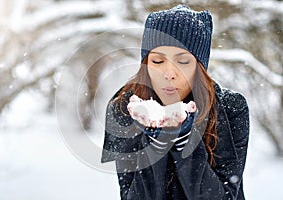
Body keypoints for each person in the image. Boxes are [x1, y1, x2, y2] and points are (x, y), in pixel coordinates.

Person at [101, 4, 249, 200]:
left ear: (200, 66)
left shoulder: (231, 109)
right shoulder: (124, 108)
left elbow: (225, 196)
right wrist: (156, 143)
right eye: (158, 61)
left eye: (183, 61)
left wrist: (185, 141)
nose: (169, 74)